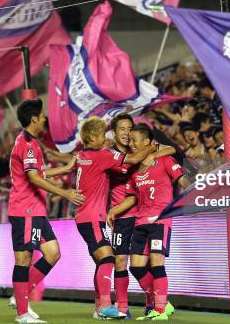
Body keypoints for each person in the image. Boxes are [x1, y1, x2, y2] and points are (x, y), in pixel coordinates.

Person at [8, 99, 85, 324]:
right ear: (34, 119)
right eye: (42, 115)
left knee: (52, 253)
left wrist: (66, 168)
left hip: (35, 211)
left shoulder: (30, 141)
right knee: (24, 260)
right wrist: (66, 194)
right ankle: (22, 313)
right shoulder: (27, 144)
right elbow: (33, 178)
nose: (44, 118)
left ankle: (19, 296)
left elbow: (39, 171)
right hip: (26, 209)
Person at [74, 116, 156, 320]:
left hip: (141, 214)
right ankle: (114, 306)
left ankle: (153, 301)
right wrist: (153, 147)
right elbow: (133, 161)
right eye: (121, 129)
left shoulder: (88, 153)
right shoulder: (106, 154)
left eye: (130, 128)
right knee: (113, 259)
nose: (126, 132)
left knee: (140, 264)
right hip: (112, 217)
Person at [108, 124, 190, 321]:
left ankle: (160, 309)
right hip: (140, 221)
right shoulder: (135, 170)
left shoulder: (165, 160)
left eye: (135, 140)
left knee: (157, 264)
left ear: (147, 142)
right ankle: (162, 301)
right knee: (136, 266)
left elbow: (183, 181)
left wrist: (196, 194)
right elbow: (131, 197)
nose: (132, 144)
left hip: (160, 219)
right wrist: (114, 211)